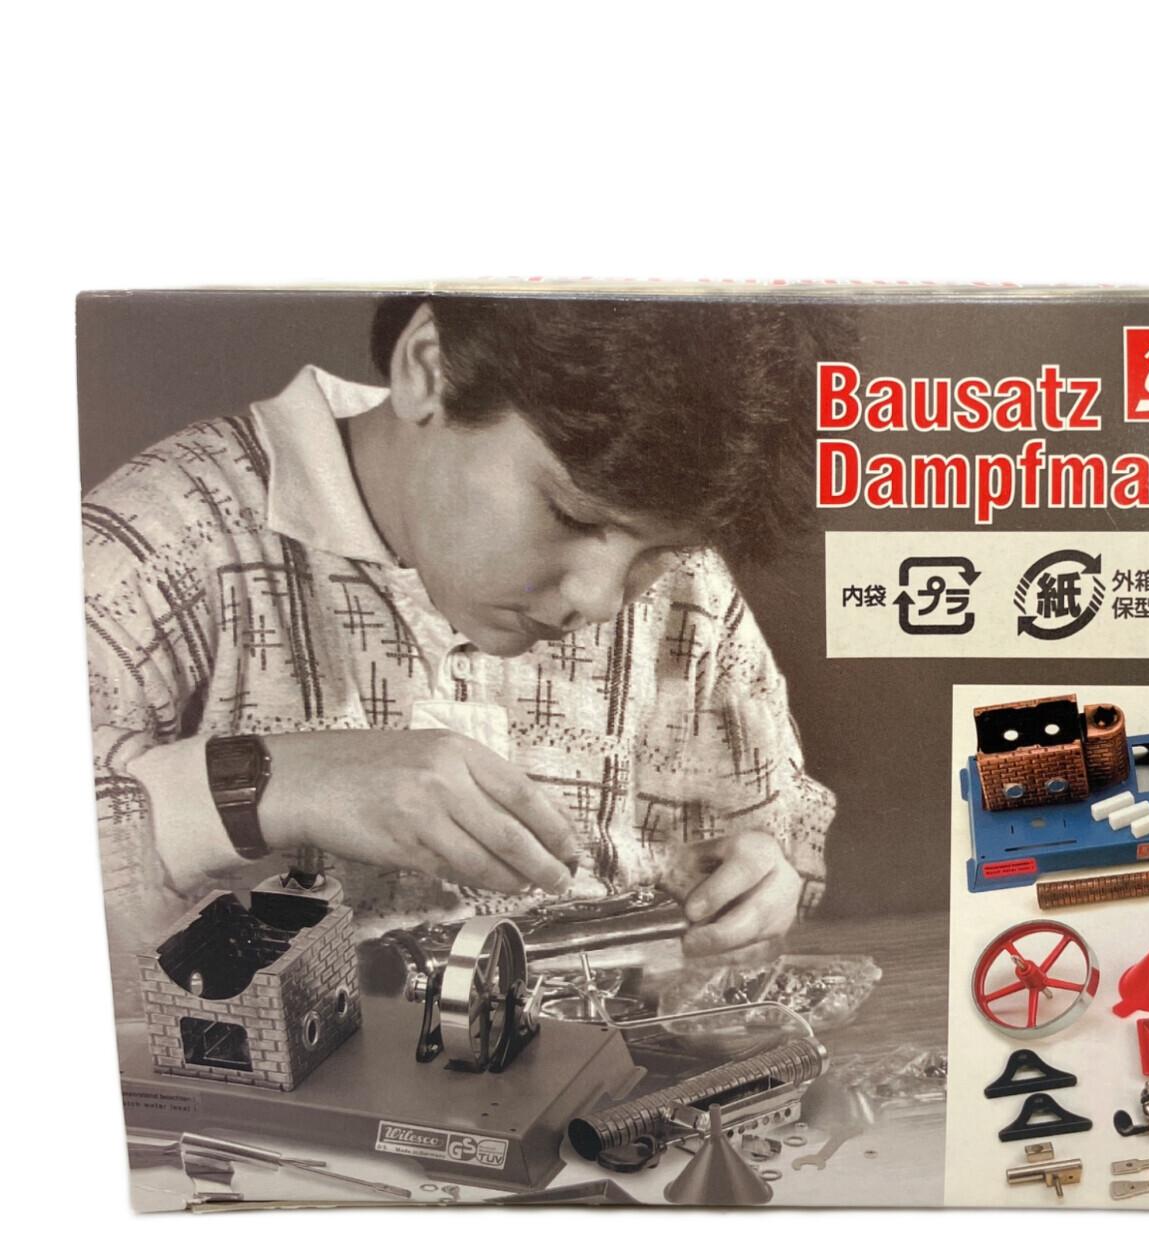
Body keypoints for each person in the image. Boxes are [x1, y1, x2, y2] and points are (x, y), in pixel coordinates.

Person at [85, 294, 838, 999]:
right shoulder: (152, 544)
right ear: (429, 369)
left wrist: (757, 888)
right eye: (573, 517)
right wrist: (270, 786)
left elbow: (784, 850)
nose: (601, 600)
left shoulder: (690, 592)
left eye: (659, 552)